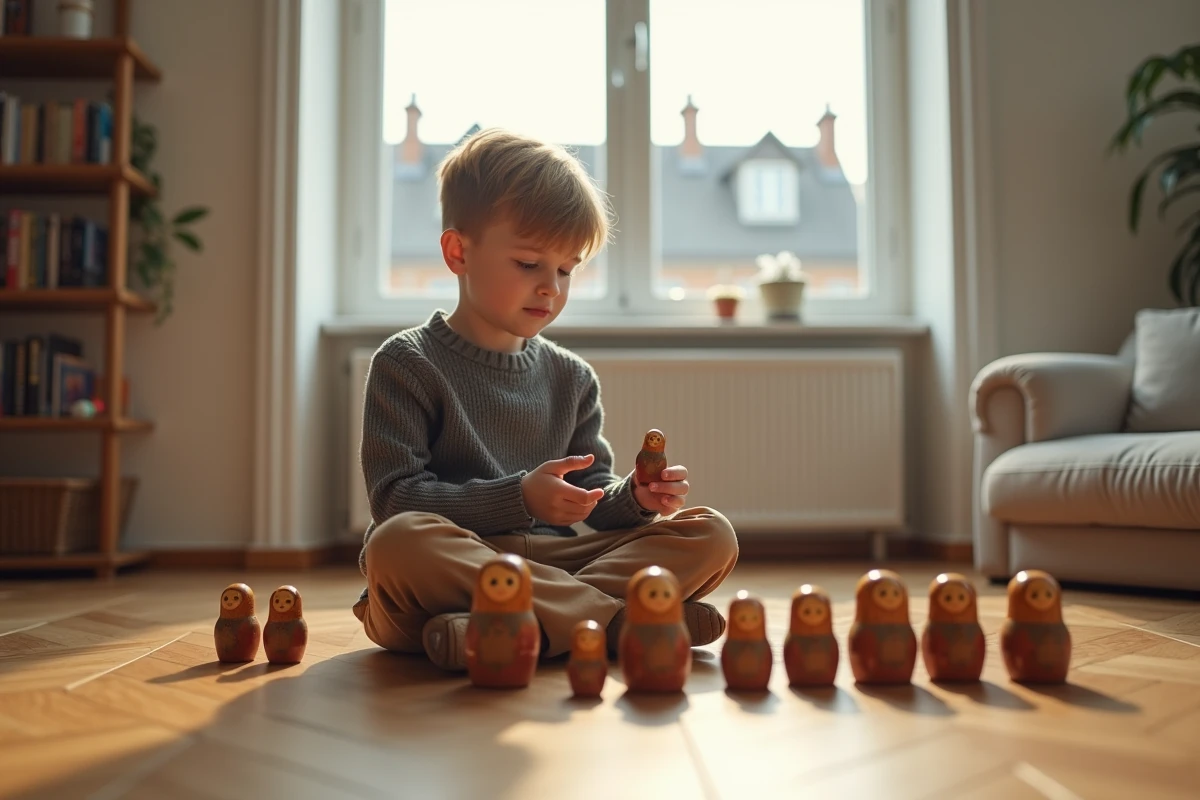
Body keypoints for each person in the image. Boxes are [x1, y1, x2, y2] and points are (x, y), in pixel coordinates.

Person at [352, 127, 739, 670]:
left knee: (712, 533)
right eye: (529, 264)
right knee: (397, 543)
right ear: (458, 251)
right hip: (455, 565)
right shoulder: (406, 363)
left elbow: (594, 497)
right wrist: (520, 499)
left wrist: (636, 499)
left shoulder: (571, 377)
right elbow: (395, 501)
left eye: (565, 270)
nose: (551, 288)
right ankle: (615, 621)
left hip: (557, 564)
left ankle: (502, 626)